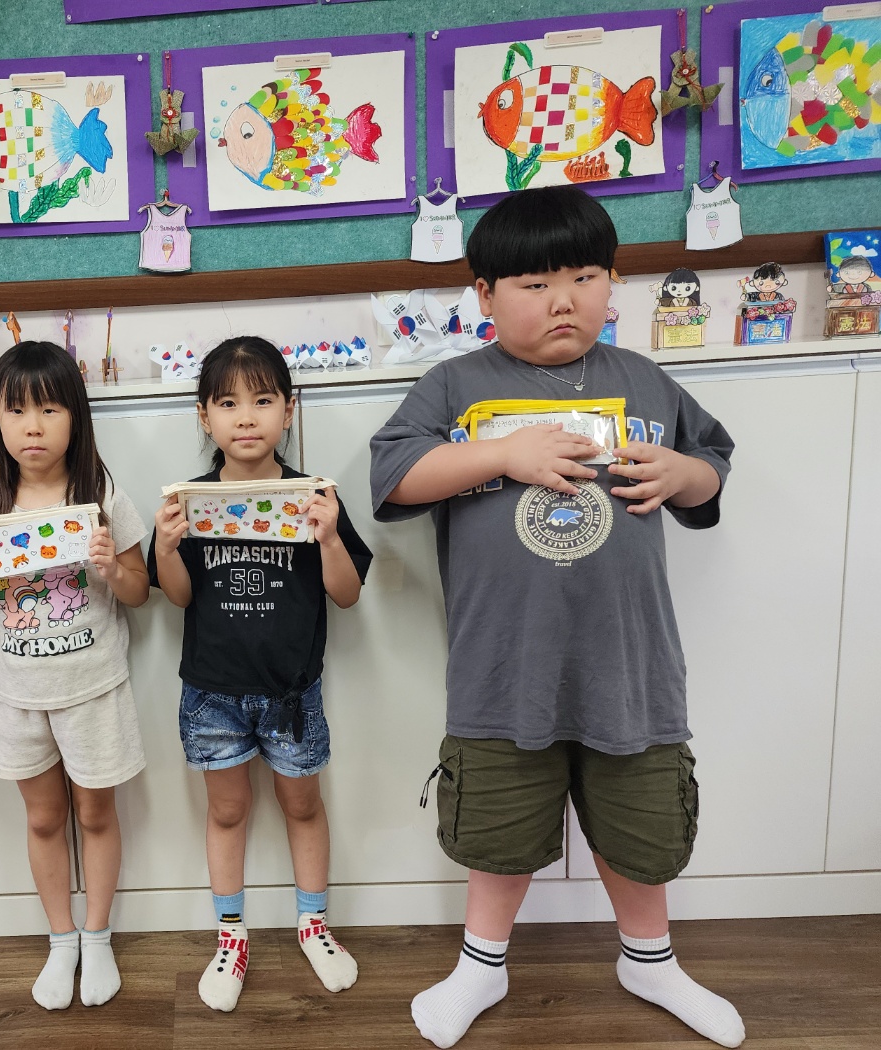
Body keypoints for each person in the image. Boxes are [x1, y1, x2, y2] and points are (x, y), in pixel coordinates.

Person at [368, 185, 743, 1049]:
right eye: (534, 283)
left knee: (639, 824)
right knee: (498, 828)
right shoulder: (455, 385)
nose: (563, 300)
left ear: (613, 283)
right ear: (484, 294)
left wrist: (684, 476)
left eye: (583, 276)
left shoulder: (643, 379)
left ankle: (650, 961)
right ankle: (481, 966)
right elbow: (394, 476)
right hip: (504, 668)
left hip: (630, 665)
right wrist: (502, 453)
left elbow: (711, 467)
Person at [150, 337, 371, 1012]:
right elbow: (178, 597)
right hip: (212, 693)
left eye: (263, 400)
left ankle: (313, 924)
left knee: (302, 804)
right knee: (227, 811)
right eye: (227, 402)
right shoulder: (188, 502)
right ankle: (230, 934)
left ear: (289, 410)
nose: (246, 417)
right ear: (204, 416)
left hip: (293, 693)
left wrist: (328, 536)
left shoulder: (314, 496)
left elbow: (347, 594)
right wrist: (166, 546)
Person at [0, 341, 150, 1011]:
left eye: (49, 409)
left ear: (75, 417)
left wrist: (110, 568)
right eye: (15, 411)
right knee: (42, 820)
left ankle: (98, 935)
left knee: (96, 812)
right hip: (17, 694)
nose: (31, 427)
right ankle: (61, 938)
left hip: (93, 687)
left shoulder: (103, 498)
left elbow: (139, 592)